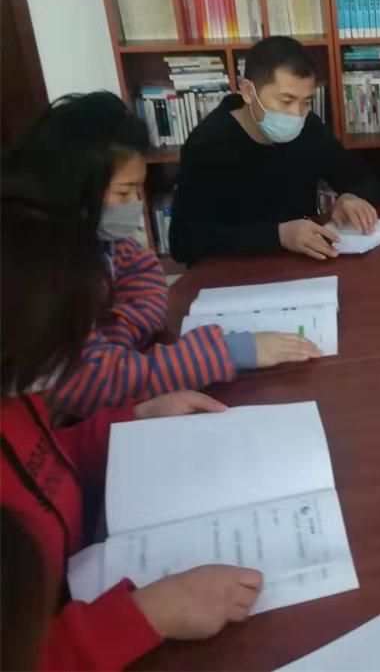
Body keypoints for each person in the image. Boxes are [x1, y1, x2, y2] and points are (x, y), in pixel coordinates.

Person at [0, 175, 263, 670]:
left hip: (93, 566)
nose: (80, 353)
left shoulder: (16, 401)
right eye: (69, 336)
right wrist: (148, 614)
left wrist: (130, 421)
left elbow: (44, 458)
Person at [9, 92, 320, 419]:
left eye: (138, 190)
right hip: (56, 431)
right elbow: (91, 382)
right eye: (123, 192)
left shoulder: (98, 241)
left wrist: (115, 337)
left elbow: (143, 270)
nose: (135, 204)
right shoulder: (40, 272)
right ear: (76, 190)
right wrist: (226, 352)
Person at [169, 36, 380, 264]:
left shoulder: (309, 128)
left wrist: (351, 197)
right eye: (286, 101)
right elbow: (184, 242)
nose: (297, 114)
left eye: (306, 102)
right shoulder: (207, 144)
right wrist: (279, 235)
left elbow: (367, 180)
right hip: (234, 271)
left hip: (302, 264)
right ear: (248, 91)